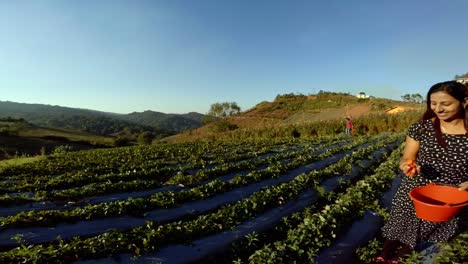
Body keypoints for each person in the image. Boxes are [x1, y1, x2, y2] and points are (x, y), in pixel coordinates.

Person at [375, 81, 468, 263]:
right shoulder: (422, 128)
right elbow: (407, 156)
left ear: (464, 102)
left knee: (429, 229)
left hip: (452, 194)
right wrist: (407, 165)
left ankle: (402, 258)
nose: (438, 109)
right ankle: (384, 254)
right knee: (400, 222)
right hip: (417, 188)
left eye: (445, 104)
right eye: (433, 104)